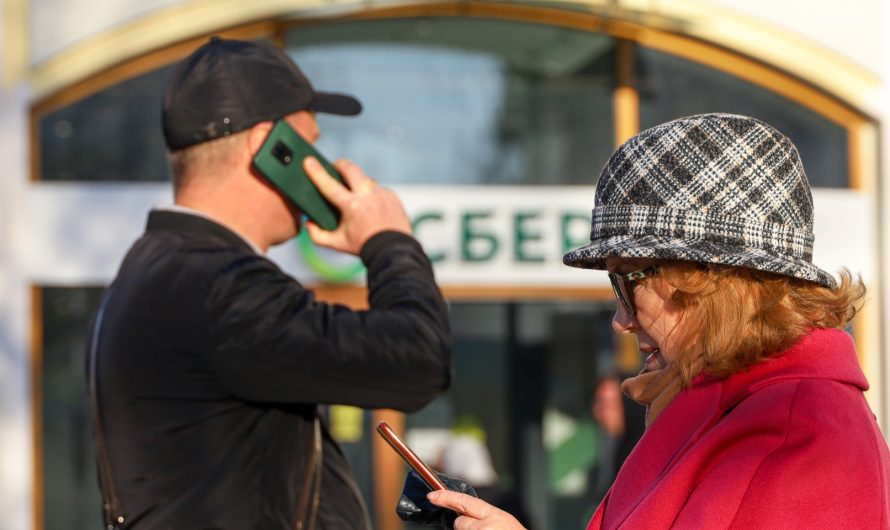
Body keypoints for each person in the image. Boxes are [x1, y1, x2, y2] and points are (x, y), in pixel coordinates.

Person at [425, 113, 890, 529]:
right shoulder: (741, 409)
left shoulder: (792, 428)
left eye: (626, 282)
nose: (620, 320)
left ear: (705, 281)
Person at [86, 37, 452, 529]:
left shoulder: (152, 271)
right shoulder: (221, 288)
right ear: (269, 149)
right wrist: (388, 241)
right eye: (310, 146)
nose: (319, 165)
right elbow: (417, 359)